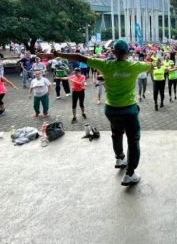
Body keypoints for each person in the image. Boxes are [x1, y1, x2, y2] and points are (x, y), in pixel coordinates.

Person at [38, 40, 152, 186]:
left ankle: (119, 158)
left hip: (111, 110)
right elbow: (152, 65)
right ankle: (130, 174)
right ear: (128, 53)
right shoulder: (135, 66)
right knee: (133, 139)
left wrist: (56, 54)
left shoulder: (105, 64)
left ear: (113, 52)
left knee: (116, 134)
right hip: (129, 110)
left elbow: (79, 57)